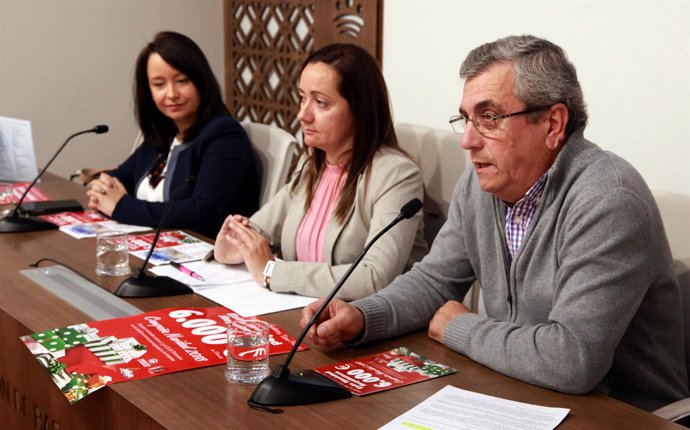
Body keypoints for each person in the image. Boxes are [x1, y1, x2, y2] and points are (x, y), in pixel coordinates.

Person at [300, 35, 689, 412]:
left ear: (553, 124)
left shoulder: (608, 199)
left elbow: (572, 359)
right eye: (466, 119)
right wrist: (365, 315)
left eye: (488, 118)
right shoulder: (481, 181)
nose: (467, 141)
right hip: (519, 392)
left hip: (619, 414)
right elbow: (436, 281)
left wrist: (460, 327)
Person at [213, 43, 427, 300]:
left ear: (360, 110)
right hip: (298, 309)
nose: (303, 115)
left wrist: (272, 271)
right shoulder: (311, 164)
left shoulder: (396, 175)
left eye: (321, 103)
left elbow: (374, 277)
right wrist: (232, 245)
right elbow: (258, 231)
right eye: (302, 98)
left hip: (366, 323)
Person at [86, 31, 259, 239]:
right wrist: (103, 188)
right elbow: (122, 175)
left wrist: (120, 206)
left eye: (182, 81)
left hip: (204, 254)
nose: (171, 94)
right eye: (159, 84)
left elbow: (203, 212)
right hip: (154, 246)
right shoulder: (165, 132)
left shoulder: (225, 135)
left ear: (201, 80)